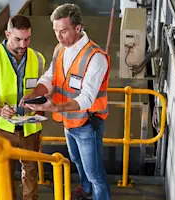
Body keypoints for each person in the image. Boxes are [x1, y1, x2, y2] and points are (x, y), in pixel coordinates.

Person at [20, 4, 111, 200]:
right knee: (77, 161)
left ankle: (99, 195)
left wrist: (54, 107)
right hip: (68, 121)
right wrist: (34, 93)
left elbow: (87, 97)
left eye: (63, 31)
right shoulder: (60, 49)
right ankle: (86, 191)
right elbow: (50, 77)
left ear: (78, 28)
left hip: (87, 123)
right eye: (55, 31)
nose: (58, 36)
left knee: (95, 172)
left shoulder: (96, 57)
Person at [0, 14, 46, 200]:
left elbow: (42, 93)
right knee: (4, 177)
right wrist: (1, 111)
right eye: (18, 39)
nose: (23, 45)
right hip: (2, 130)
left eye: (28, 39)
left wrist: (40, 104)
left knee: (31, 174)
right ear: (7, 34)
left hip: (30, 129)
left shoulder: (38, 59)